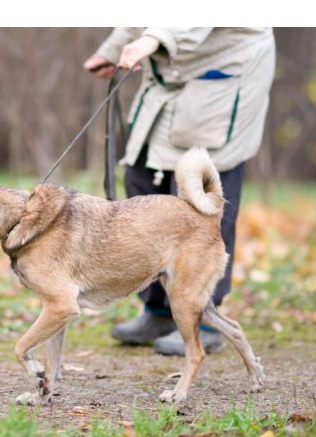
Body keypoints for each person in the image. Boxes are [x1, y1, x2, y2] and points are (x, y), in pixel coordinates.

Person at [83, 28, 275, 356]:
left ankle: (203, 317)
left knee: (200, 205)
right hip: (169, 73)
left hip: (224, 72)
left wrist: (151, 40)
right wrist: (114, 48)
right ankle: (158, 311)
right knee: (140, 178)